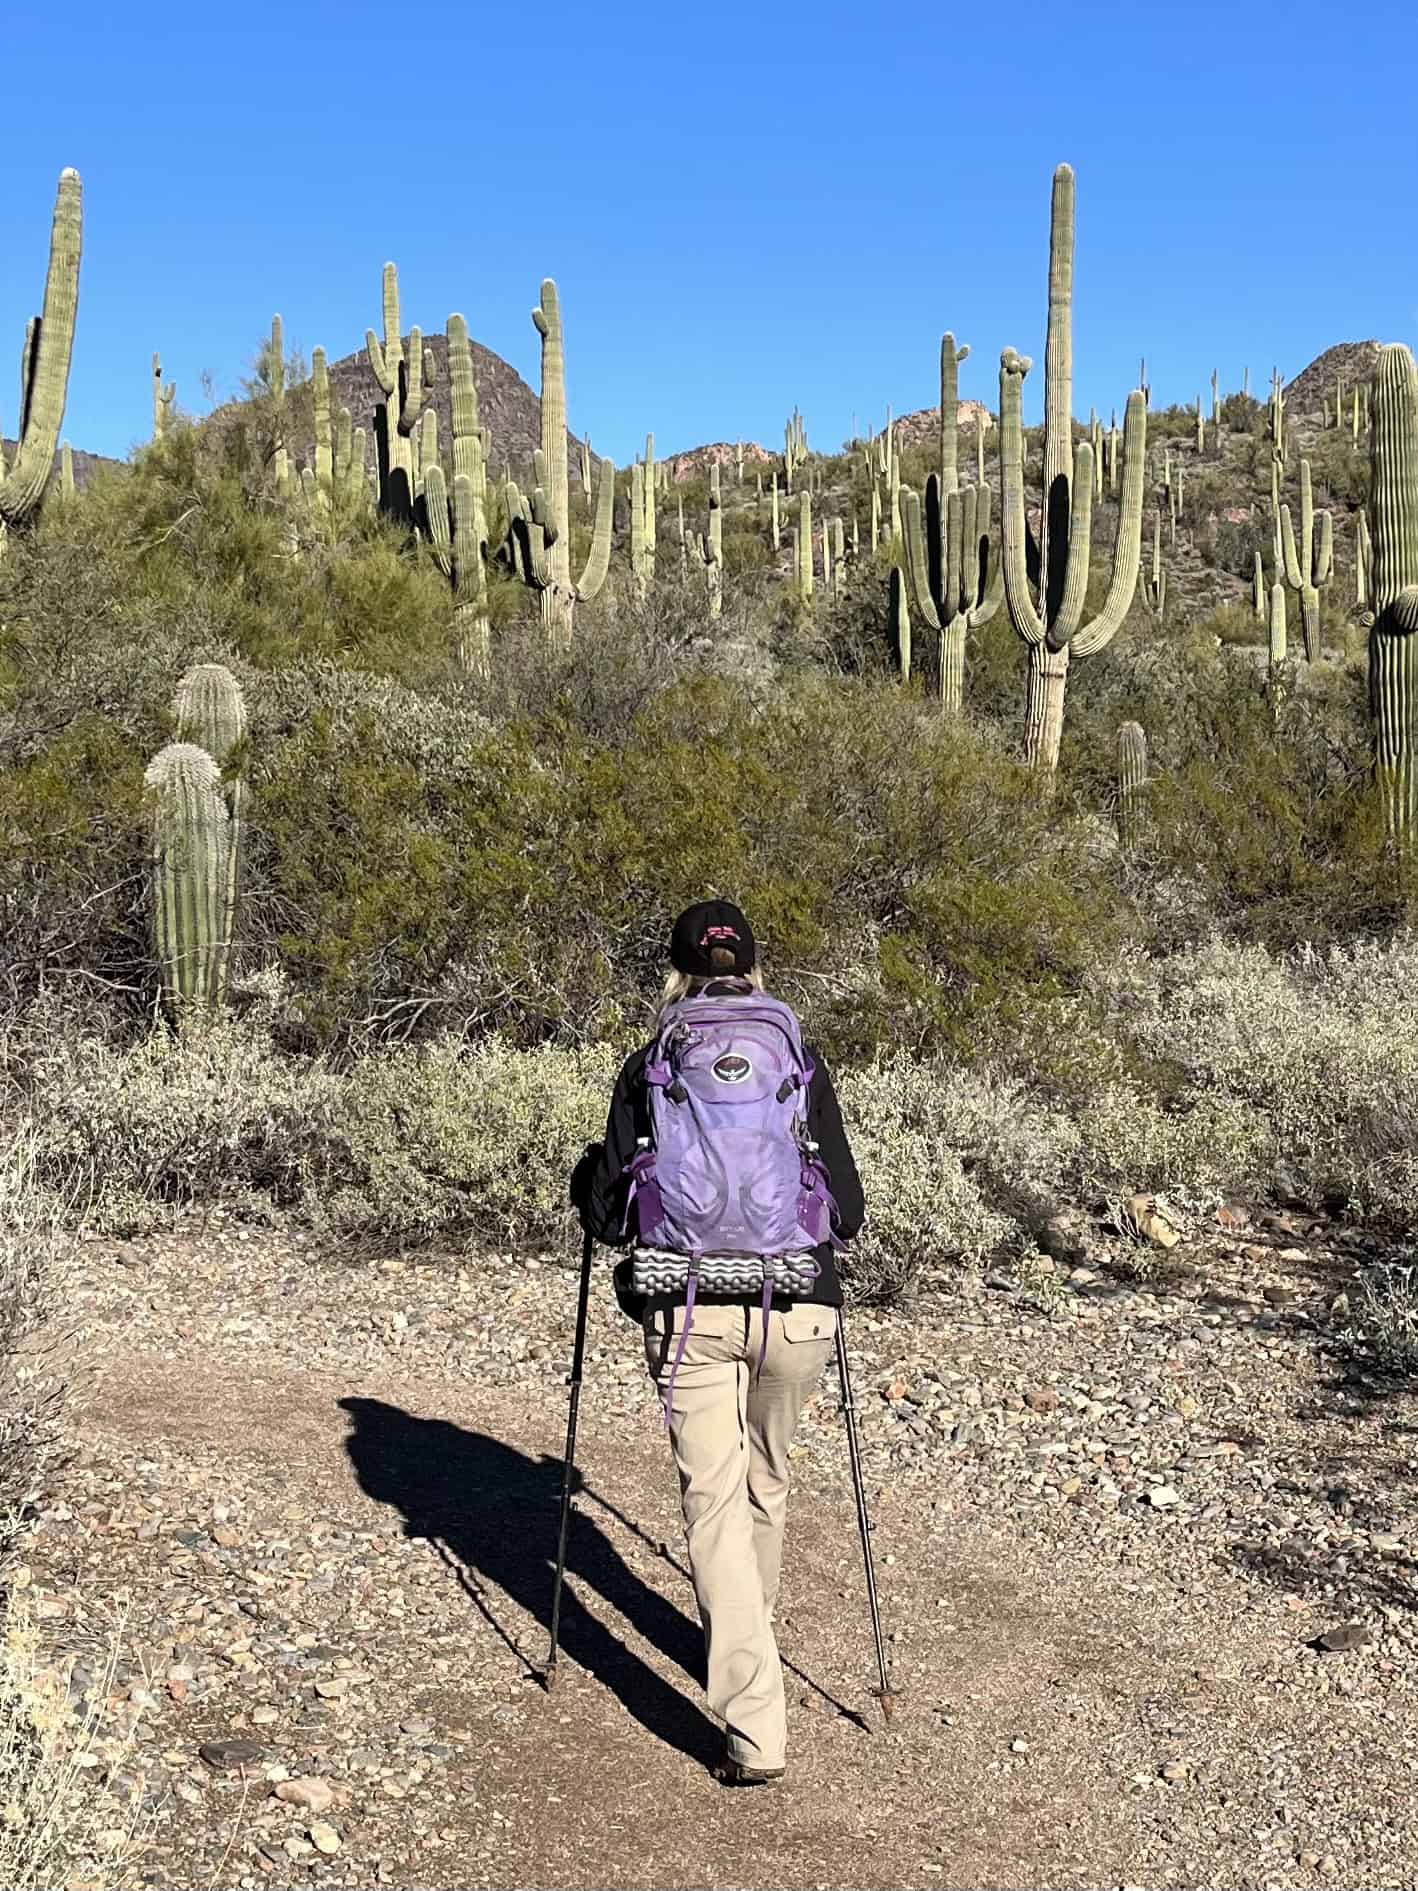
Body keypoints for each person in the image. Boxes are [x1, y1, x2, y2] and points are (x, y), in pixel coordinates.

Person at [573, 899, 864, 1787]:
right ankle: (751, 1640)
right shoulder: (798, 1054)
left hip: (689, 1303)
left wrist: (589, 1171)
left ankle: (754, 1722)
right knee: (765, 1484)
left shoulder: (652, 1060)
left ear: (677, 970)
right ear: (755, 967)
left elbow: (609, 1214)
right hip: (799, 1309)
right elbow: (846, 1210)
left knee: (714, 1503)